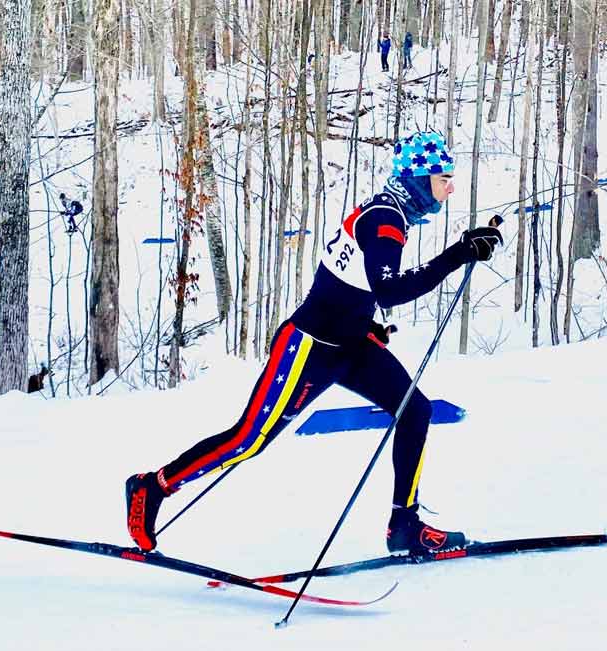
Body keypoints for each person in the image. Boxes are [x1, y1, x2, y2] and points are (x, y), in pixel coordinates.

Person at [126, 131, 504, 555]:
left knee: (415, 409)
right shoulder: (385, 218)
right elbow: (390, 291)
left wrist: (364, 323)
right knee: (248, 439)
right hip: (308, 346)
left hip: (351, 341)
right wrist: (459, 253)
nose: (450, 187)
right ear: (419, 177)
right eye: (444, 177)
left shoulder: (390, 213)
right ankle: (151, 487)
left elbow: (352, 283)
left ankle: (405, 525)